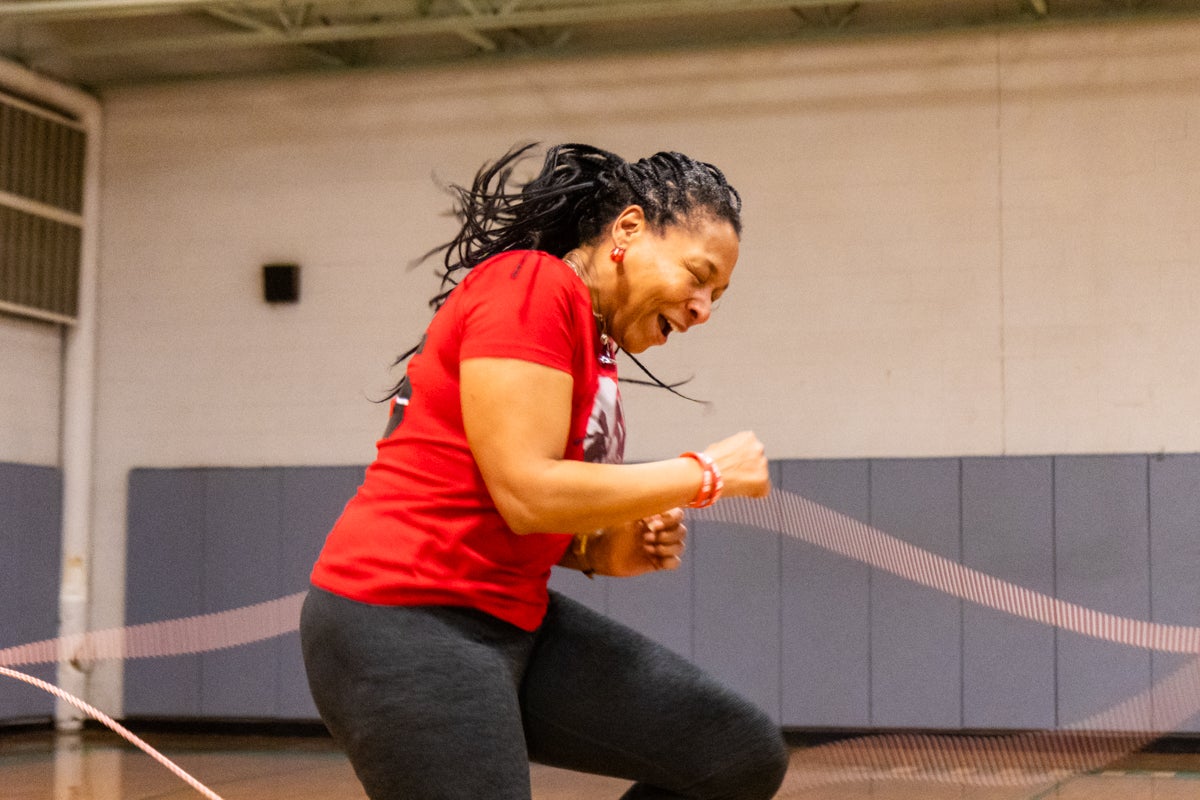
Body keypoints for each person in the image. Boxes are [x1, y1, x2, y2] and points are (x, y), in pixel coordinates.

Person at [300, 143, 789, 800]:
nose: (703, 308)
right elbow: (527, 492)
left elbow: (517, 509)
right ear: (628, 229)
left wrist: (602, 550)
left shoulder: (592, 341)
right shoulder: (531, 286)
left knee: (733, 753)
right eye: (698, 276)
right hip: (404, 619)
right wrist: (705, 472)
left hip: (508, 618)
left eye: (717, 295)